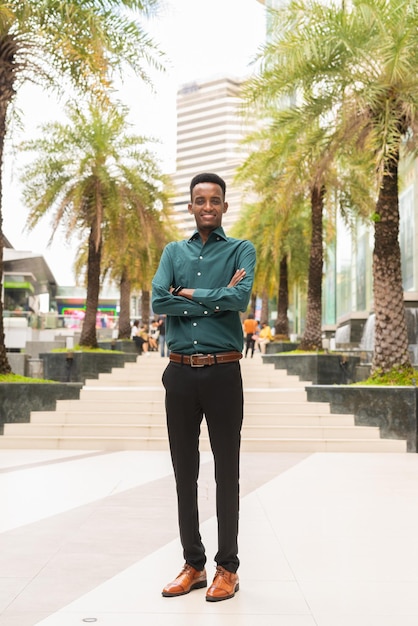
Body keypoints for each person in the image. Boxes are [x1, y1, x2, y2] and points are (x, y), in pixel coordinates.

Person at [151, 172, 256, 602]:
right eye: (200, 200)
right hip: (179, 372)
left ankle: (226, 568)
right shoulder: (173, 251)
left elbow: (239, 299)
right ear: (191, 206)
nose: (207, 206)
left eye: (215, 199)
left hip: (223, 372)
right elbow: (159, 300)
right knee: (184, 472)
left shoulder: (240, 250)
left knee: (226, 471)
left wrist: (188, 292)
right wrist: (214, 294)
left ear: (224, 206)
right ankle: (193, 564)